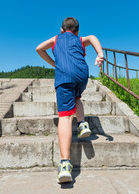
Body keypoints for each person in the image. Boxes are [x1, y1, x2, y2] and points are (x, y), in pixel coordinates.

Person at [36, 17, 104, 183]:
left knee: (65, 117)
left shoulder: (56, 38)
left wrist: (54, 63)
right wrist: (100, 54)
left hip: (64, 75)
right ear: (77, 31)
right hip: (82, 74)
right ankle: (82, 124)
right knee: (77, 97)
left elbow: (39, 49)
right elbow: (93, 37)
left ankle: (65, 164)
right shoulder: (80, 39)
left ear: (61, 29)